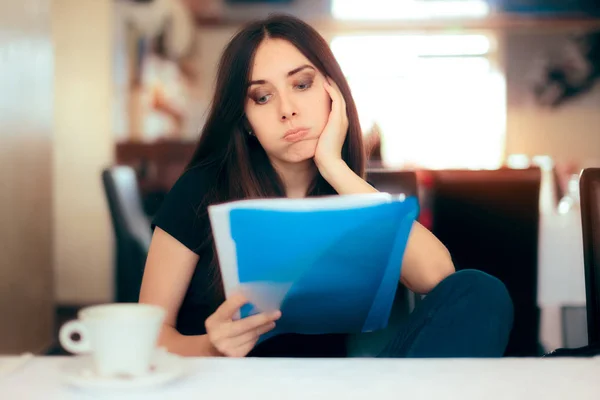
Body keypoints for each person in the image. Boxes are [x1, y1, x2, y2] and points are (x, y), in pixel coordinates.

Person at [139, 14, 514, 358]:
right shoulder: (201, 188)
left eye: (302, 84)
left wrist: (335, 167)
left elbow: (437, 276)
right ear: (246, 119)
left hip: (337, 387)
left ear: (331, 93)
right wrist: (211, 346)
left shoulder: (347, 192)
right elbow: (148, 337)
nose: (287, 109)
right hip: (234, 387)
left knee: (480, 291)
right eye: (262, 96)